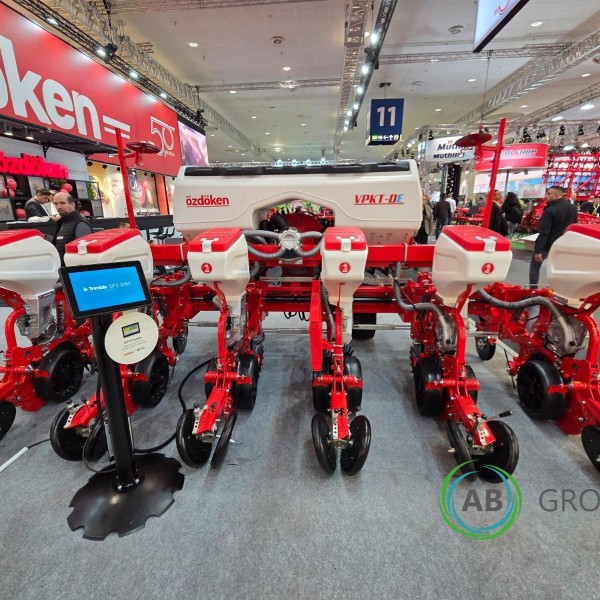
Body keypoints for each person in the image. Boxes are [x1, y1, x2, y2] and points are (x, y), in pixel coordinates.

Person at [529, 185, 578, 288]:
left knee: (534, 267)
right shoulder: (573, 208)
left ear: (557, 195)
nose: (546, 196)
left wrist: (538, 251)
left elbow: (544, 232)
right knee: (559, 270)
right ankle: (558, 291)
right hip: (564, 244)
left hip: (547, 245)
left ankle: (532, 291)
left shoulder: (549, 210)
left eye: (549, 194)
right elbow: (574, 226)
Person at [51, 192, 94, 265]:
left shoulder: (80, 224)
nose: (59, 207)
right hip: (60, 268)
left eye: (62, 203)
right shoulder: (61, 222)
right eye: (56, 204)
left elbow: (84, 256)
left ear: (72, 205)